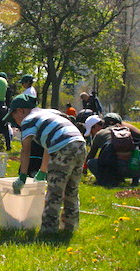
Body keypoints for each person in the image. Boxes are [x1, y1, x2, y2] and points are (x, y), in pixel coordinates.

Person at [5, 94, 87, 233]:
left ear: (20, 110)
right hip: (79, 144)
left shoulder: (28, 120)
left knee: (54, 193)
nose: (15, 122)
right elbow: (48, 146)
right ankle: (69, 228)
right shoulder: (47, 113)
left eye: (13, 117)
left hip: (63, 147)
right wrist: (42, 172)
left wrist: (22, 177)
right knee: (71, 190)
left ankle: (49, 231)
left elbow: (26, 150)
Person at [83, 115, 140, 186]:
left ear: (96, 126)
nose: (92, 134)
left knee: (91, 162)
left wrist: (84, 170)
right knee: (139, 153)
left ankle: (106, 179)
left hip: (113, 171)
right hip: (132, 170)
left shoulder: (100, 134)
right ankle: (135, 181)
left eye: (91, 132)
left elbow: (91, 156)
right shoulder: (126, 131)